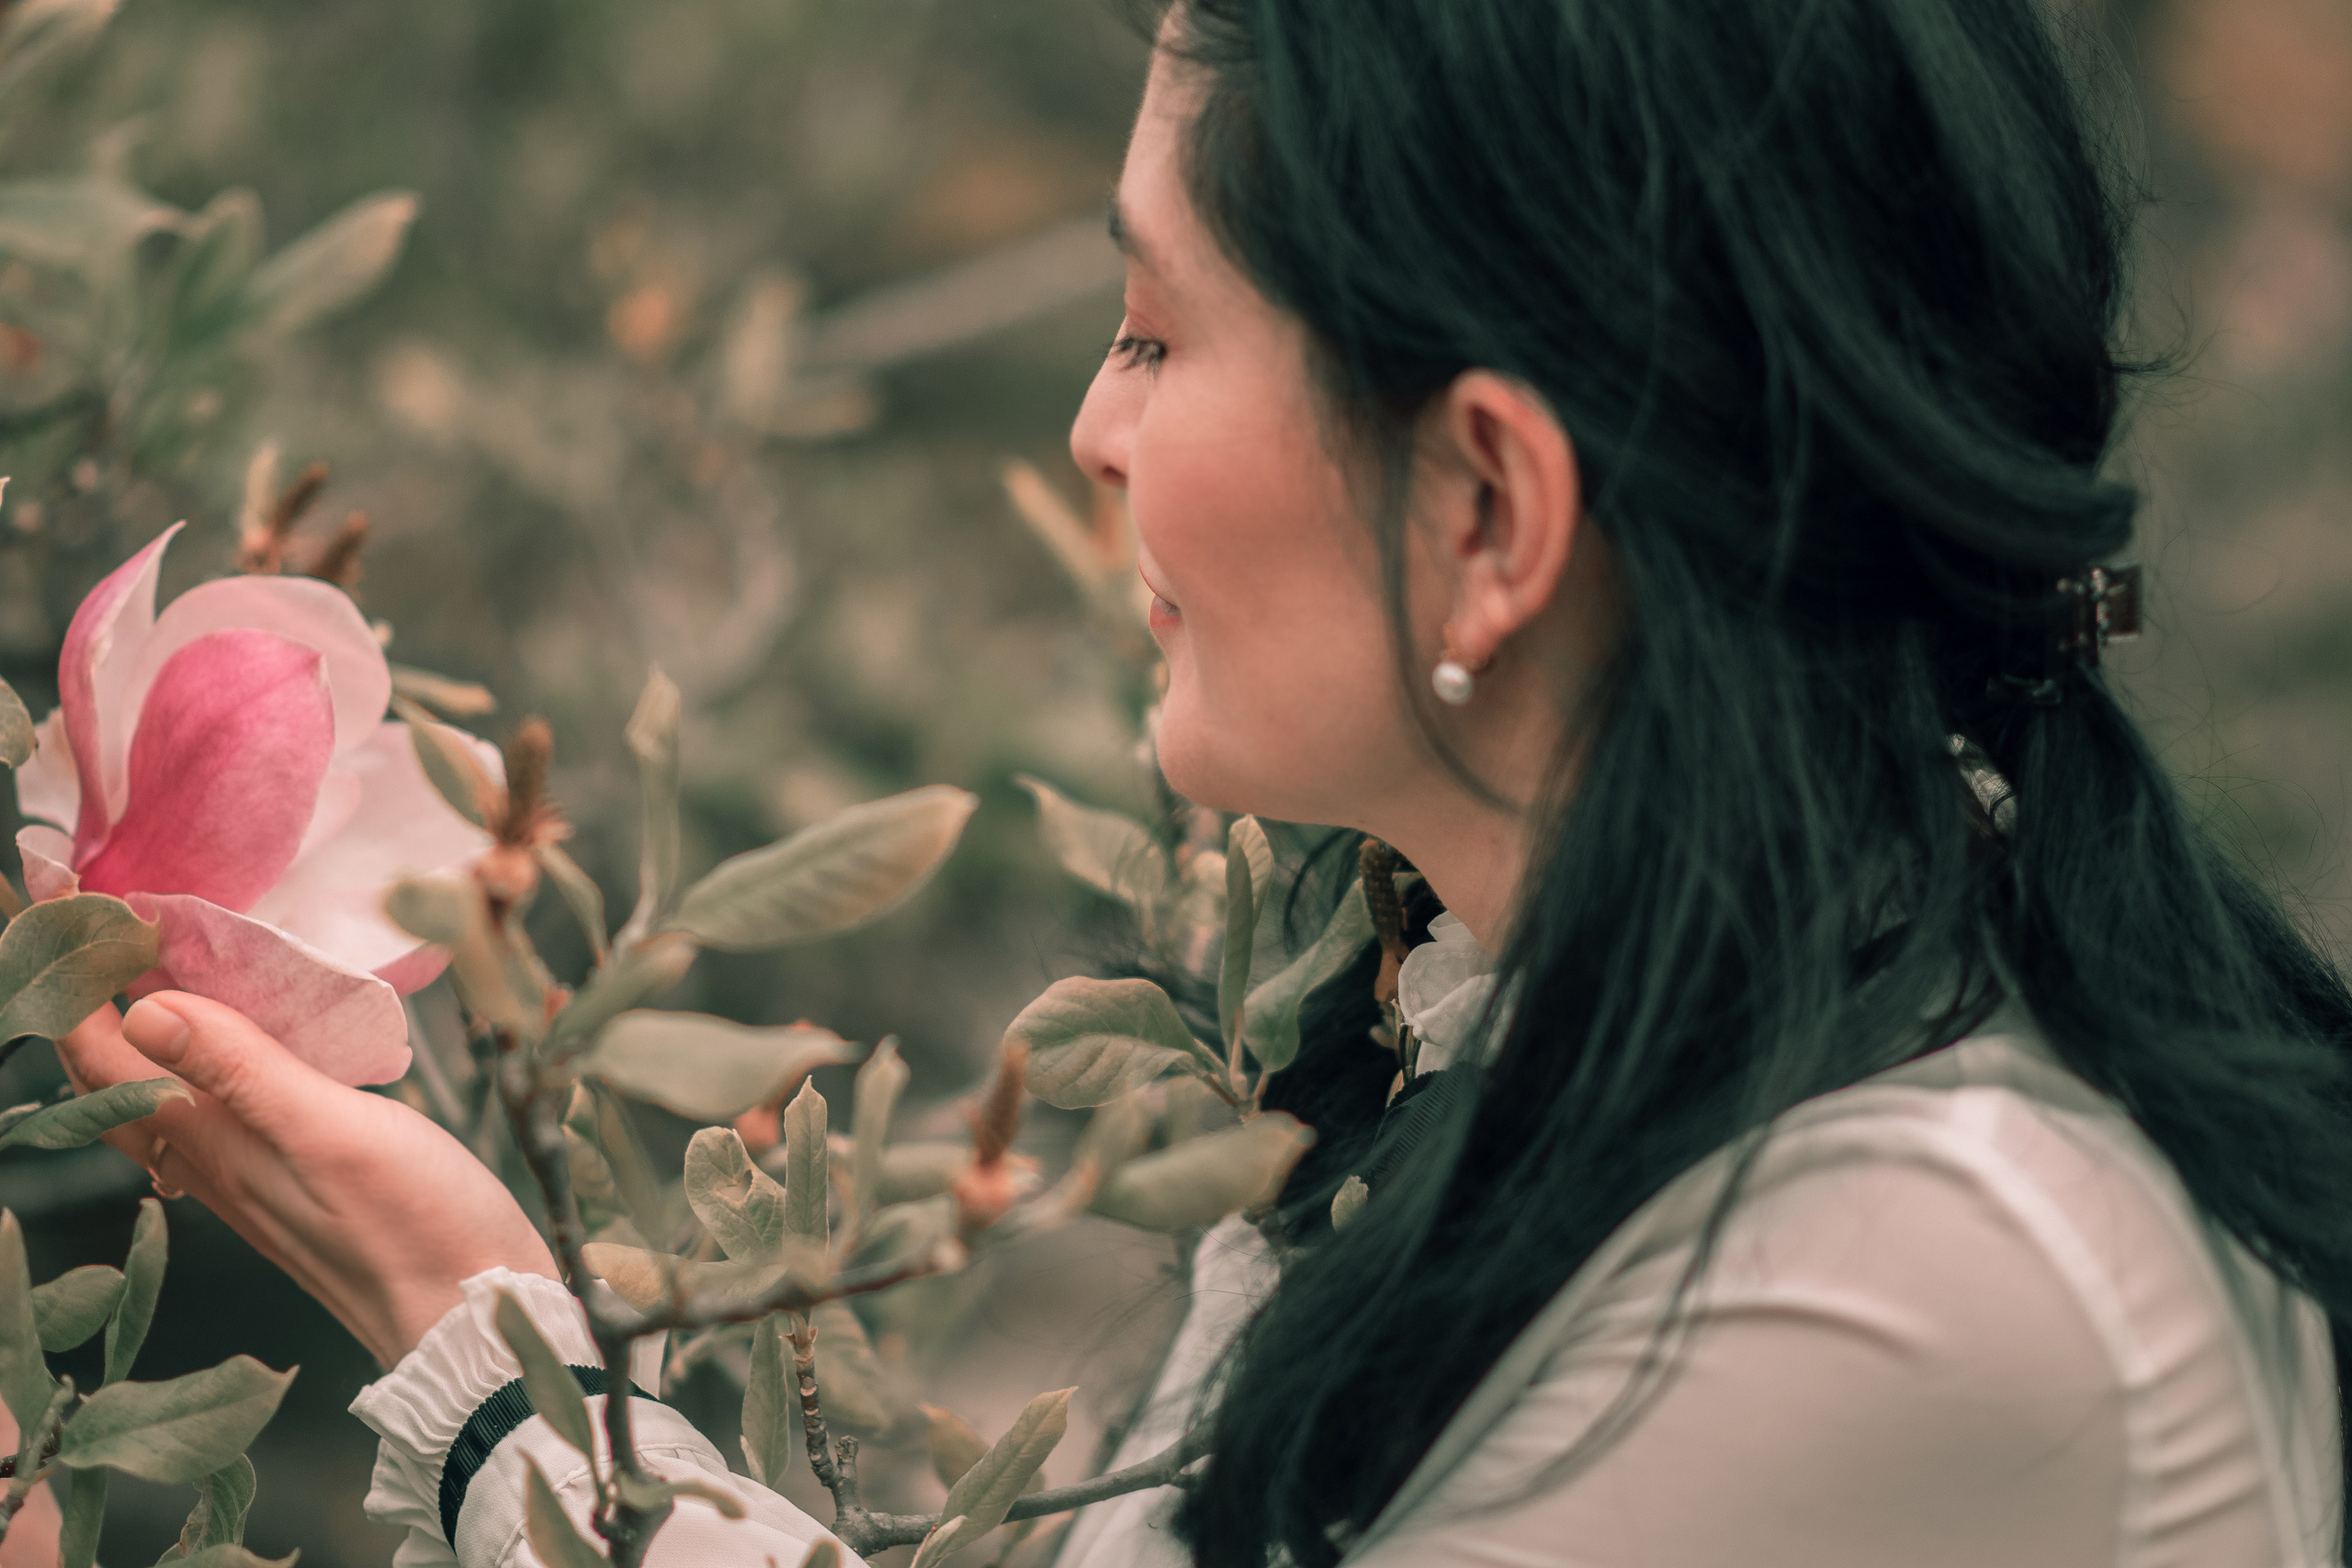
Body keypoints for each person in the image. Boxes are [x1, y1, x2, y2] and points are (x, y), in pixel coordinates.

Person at [51, 0, 2352, 1562]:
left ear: (1486, 509)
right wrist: (469, 1316)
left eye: (1156, 328)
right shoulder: (1535, 1060)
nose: (1092, 424)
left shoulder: (1909, 1269)